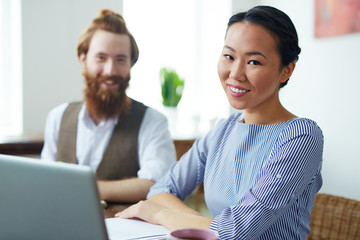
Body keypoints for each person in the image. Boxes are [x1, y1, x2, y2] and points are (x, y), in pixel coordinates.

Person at [115, 5, 324, 239]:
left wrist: (161, 215)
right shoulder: (223, 131)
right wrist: (204, 223)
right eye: (229, 56)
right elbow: (160, 191)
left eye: (254, 62)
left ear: (286, 71)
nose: (235, 73)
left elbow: (237, 231)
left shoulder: (302, 137)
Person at [41, 9, 176, 203]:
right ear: (83, 58)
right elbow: (46, 180)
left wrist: (88, 187)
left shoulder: (153, 122)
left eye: (120, 59)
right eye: (101, 58)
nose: (110, 70)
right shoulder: (57, 117)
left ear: (132, 63)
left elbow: (157, 184)